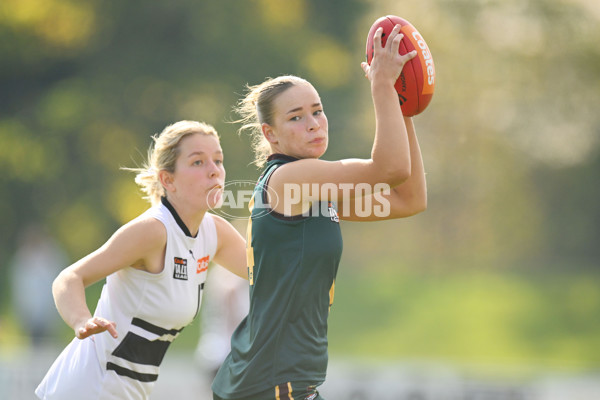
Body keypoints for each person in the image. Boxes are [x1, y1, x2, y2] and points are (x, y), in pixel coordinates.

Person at [212, 25, 428, 400]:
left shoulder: (318, 193)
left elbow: (409, 198)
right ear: (270, 134)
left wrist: (401, 103)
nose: (313, 122)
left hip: (281, 380)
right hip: (271, 383)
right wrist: (381, 87)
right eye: (295, 117)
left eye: (317, 110)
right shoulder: (291, 179)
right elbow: (389, 169)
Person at [35, 120, 247, 400]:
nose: (214, 171)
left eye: (218, 160)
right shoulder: (152, 231)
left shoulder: (215, 232)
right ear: (167, 180)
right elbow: (69, 278)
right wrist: (81, 321)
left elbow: (273, 272)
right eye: (198, 162)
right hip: (88, 389)